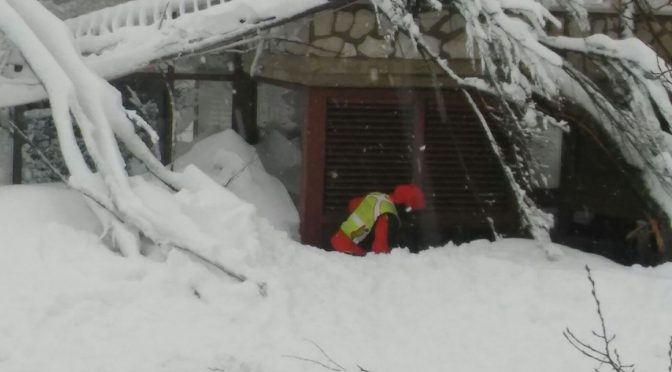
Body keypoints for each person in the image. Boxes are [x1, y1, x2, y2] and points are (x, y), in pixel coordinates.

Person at [330, 184, 426, 256]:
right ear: (406, 207)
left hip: (336, 241)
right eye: (413, 212)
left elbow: (352, 204)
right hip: (350, 251)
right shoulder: (389, 214)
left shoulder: (377, 197)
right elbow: (380, 248)